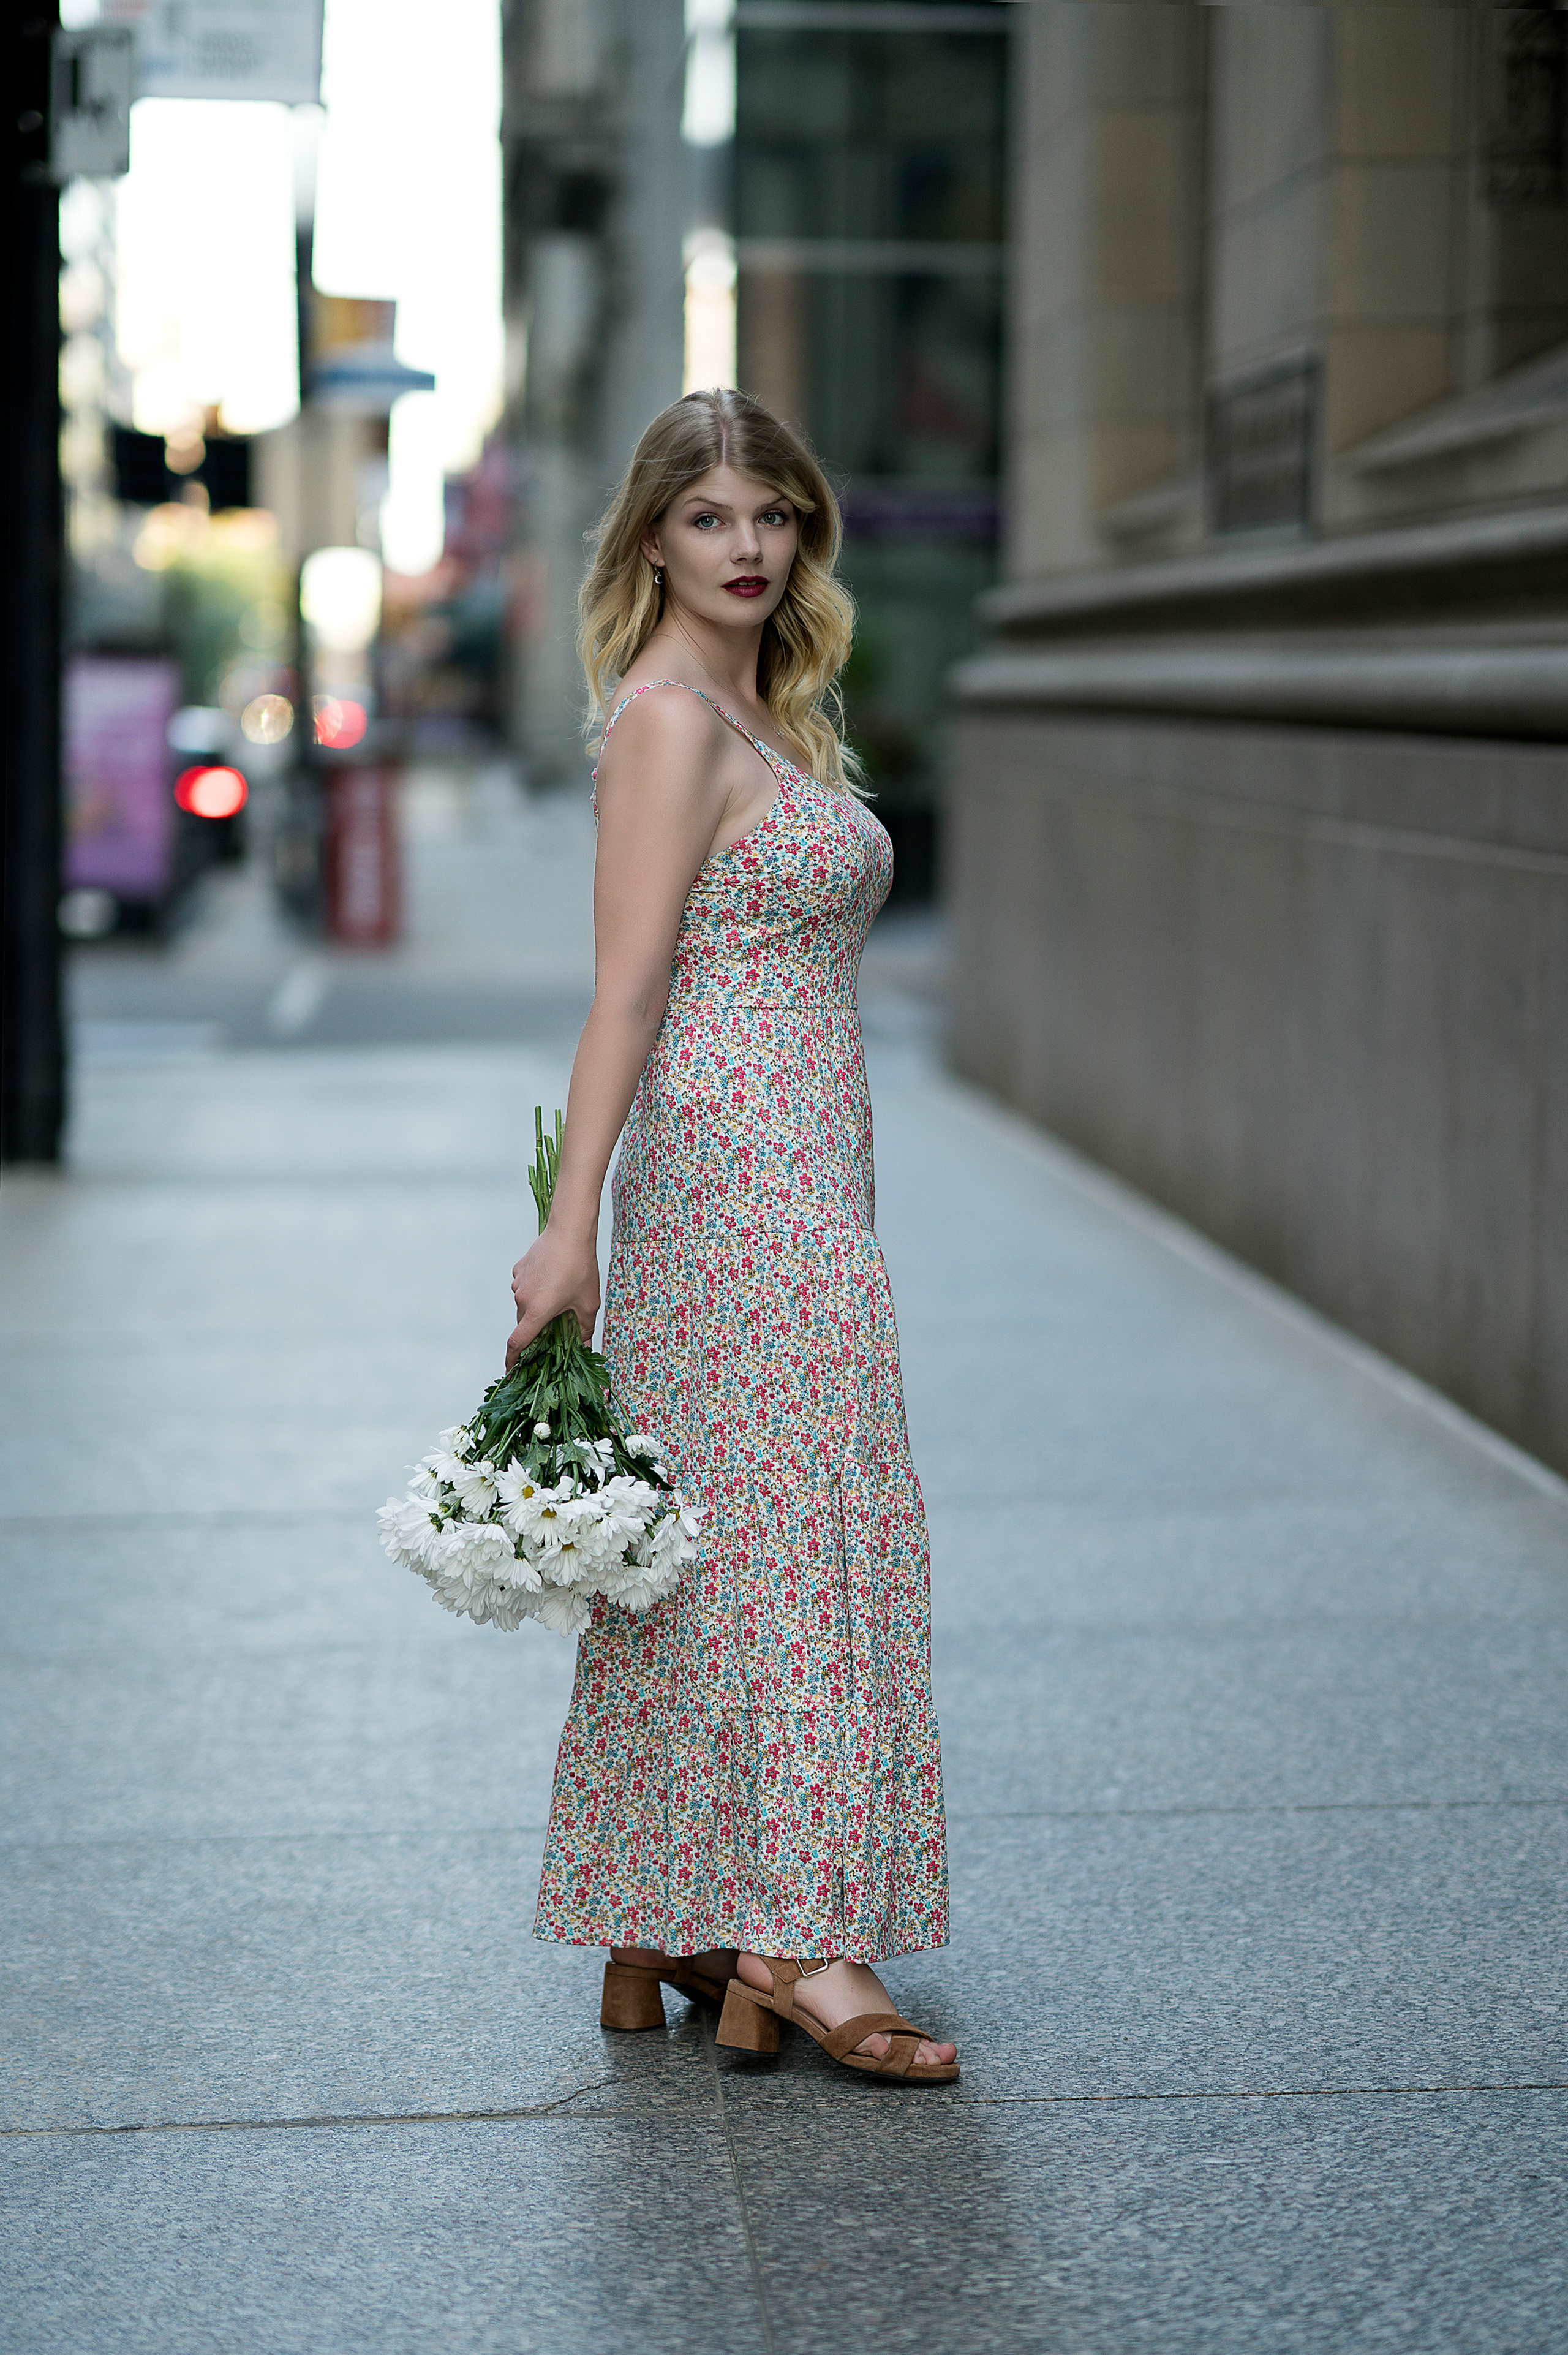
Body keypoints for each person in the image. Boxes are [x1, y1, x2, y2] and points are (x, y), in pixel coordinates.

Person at [507, 388, 956, 2082]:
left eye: (771, 513)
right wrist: (571, 1236)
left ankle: (664, 1908)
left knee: (729, 1523)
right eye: (709, 518)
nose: (748, 546)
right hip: (732, 1163)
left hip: (805, 1155)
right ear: (651, 540)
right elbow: (625, 990)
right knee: (812, 1511)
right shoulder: (673, 719)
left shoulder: (775, 710)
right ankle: (799, 1928)